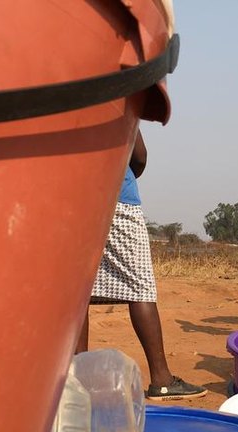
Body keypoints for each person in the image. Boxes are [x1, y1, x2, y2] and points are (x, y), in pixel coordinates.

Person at [77, 130, 206, 401]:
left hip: (76, 198)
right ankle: (161, 379)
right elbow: (139, 157)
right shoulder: (118, 95)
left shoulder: (69, 98)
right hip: (118, 199)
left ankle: (78, 382)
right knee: (141, 288)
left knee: (80, 291)